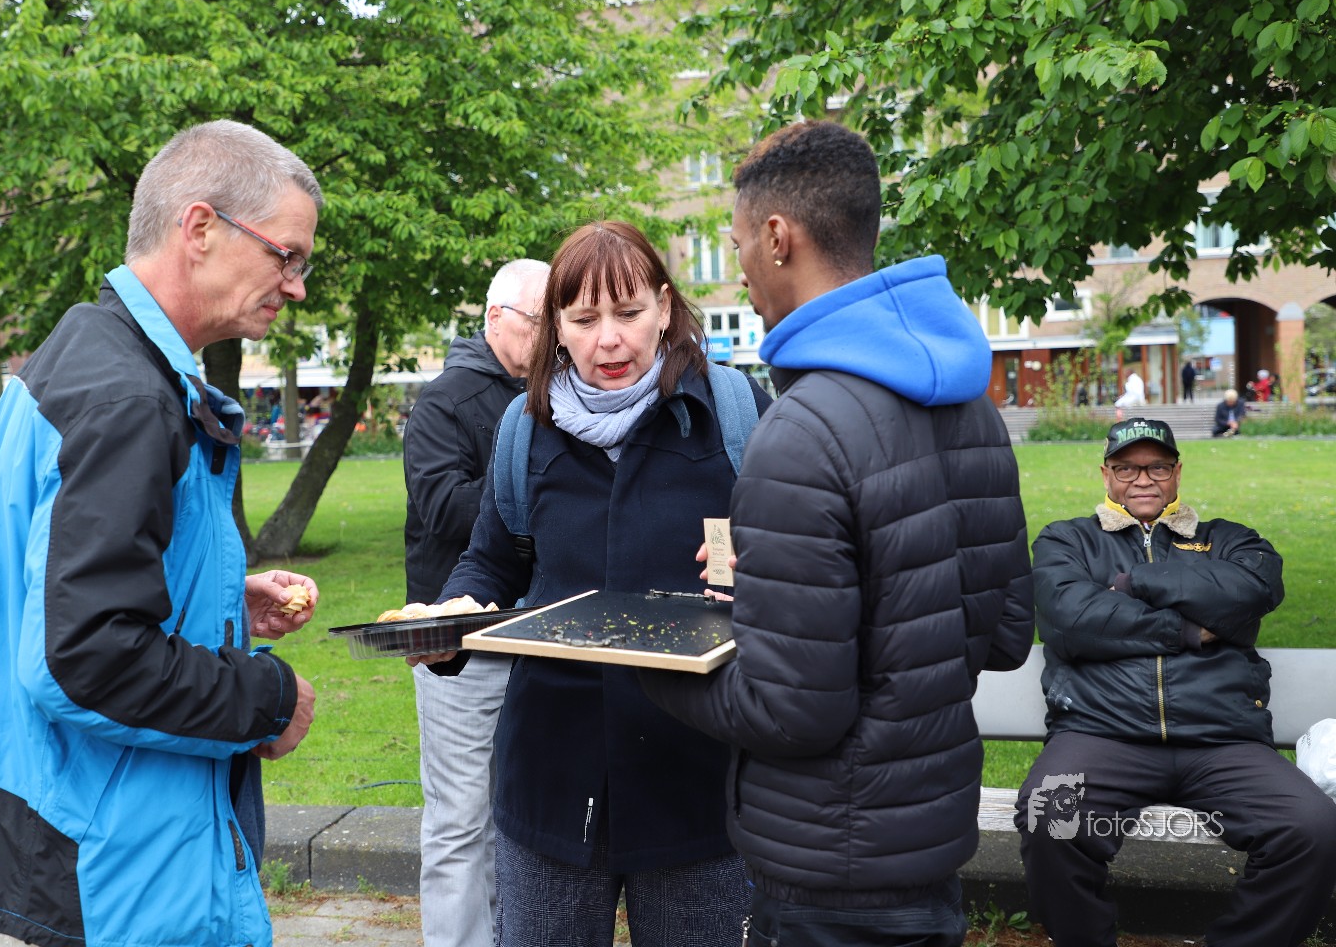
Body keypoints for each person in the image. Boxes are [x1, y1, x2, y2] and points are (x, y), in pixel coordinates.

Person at [0, 121, 323, 947]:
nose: (296, 285)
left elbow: (48, 583)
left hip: (87, 825)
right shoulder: (127, 398)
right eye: (286, 255)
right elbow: (83, 658)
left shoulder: (87, 354)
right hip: (120, 858)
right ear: (200, 229)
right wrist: (268, 700)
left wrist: (212, 595)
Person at [641, 119, 1035, 947]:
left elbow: (792, 713)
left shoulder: (801, 432)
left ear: (778, 238)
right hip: (928, 844)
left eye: (738, 245)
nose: (739, 268)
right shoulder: (972, 405)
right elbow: (1001, 634)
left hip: (827, 866)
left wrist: (647, 664)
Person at [418, 221, 773, 947]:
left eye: (629, 313)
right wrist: (457, 608)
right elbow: (492, 559)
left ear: (665, 308)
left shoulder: (735, 414)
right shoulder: (524, 426)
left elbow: (803, 555)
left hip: (696, 779)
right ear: (555, 326)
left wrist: (763, 567)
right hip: (551, 778)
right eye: (583, 320)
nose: (608, 340)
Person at [1015, 416, 1336, 947]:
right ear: (1106, 474)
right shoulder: (1067, 540)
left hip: (1223, 741)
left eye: (1157, 467)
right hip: (1100, 736)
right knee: (1050, 818)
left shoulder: (1228, 539)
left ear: (1177, 473)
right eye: (1127, 468)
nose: (1143, 479)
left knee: (1313, 828)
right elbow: (1071, 620)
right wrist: (1191, 628)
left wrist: (1132, 582)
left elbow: (1253, 591)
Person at [403, 257, 550, 947]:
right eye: (540, 321)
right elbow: (441, 508)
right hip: (457, 642)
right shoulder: (445, 401)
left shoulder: (556, 394)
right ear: (496, 318)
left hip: (539, 632)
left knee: (529, 814)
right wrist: (528, 492)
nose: (552, 336)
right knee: (460, 821)